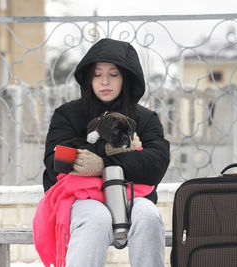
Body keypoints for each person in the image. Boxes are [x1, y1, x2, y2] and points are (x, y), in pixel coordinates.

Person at [39, 38, 170, 267]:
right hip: (80, 199)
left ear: (126, 78)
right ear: (89, 78)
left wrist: (103, 164)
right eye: (98, 74)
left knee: (148, 216)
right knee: (96, 218)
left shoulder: (145, 118)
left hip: (132, 196)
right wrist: (111, 152)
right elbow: (55, 160)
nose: (105, 81)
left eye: (114, 74)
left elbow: (156, 163)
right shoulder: (68, 114)